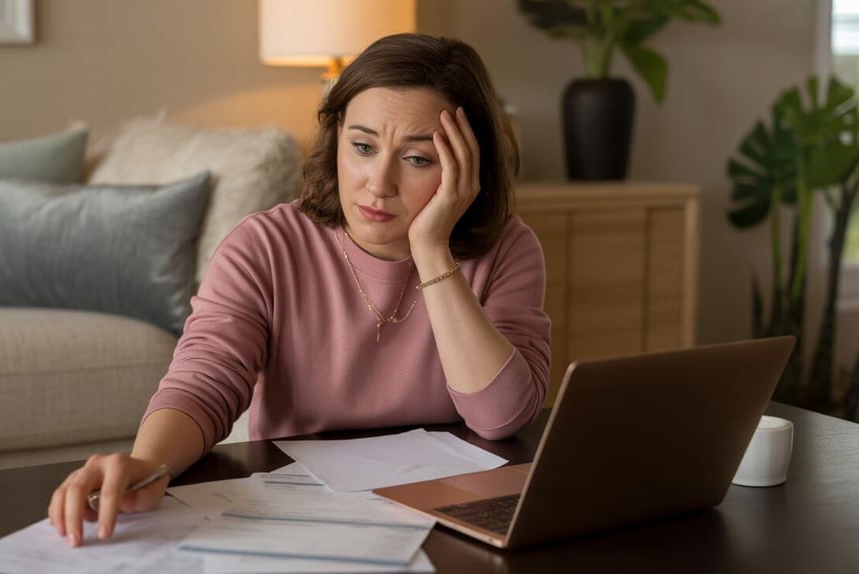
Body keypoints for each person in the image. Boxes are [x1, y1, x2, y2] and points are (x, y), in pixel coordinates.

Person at [48, 32, 551, 547]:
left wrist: (432, 248)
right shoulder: (264, 246)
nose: (378, 183)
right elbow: (204, 384)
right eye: (362, 147)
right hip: (301, 517)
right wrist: (146, 465)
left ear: (467, 166)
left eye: (418, 159)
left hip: (447, 523)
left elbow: (501, 416)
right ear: (336, 138)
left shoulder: (508, 250)